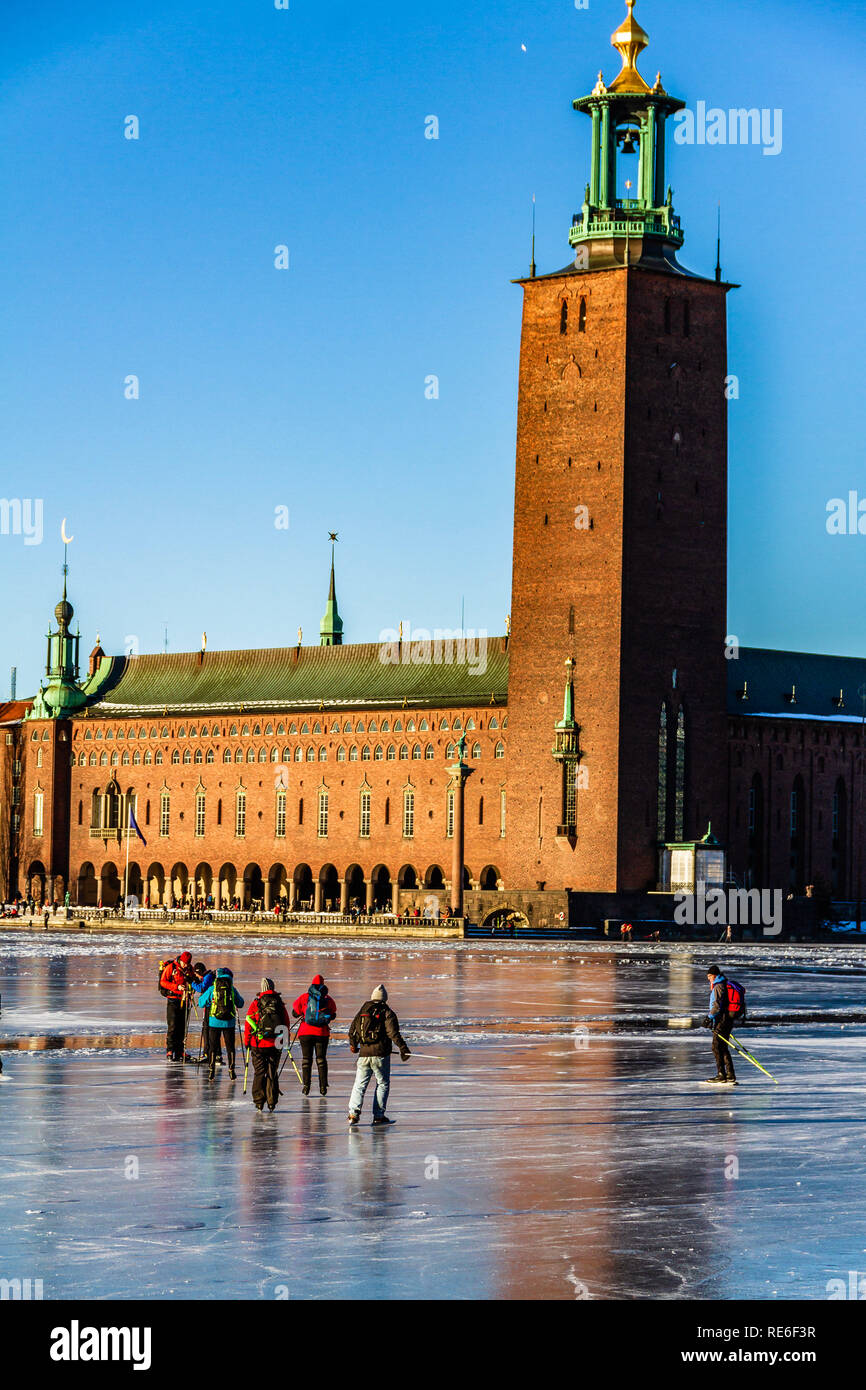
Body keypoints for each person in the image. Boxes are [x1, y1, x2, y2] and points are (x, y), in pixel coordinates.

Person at [347, 985, 411, 1127]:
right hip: (380, 1055)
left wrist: (353, 1045)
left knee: (359, 1085)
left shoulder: (363, 1010)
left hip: (363, 1055)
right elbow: (393, 1033)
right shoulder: (387, 1012)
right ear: (385, 998)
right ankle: (379, 1116)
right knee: (382, 1084)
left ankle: (353, 1114)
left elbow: (352, 1030)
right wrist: (403, 1047)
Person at [243, 977, 291, 1112]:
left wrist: (247, 1042)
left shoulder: (256, 1004)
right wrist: (284, 1041)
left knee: (259, 1072)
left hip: (258, 1043)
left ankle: (259, 1101)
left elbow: (248, 1024)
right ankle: (271, 1101)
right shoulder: (279, 1004)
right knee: (272, 1072)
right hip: (275, 1043)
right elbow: (286, 1023)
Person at [292, 974, 337, 1096]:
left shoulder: (304, 997)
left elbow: (294, 1013)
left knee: (307, 1059)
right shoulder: (327, 998)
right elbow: (333, 1014)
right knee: (321, 1059)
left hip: (305, 1033)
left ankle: (306, 1086)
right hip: (321, 1033)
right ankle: (323, 1087)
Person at [197, 968, 244, 1080]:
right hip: (229, 1022)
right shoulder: (232, 989)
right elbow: (241, 1003)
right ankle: (231, 1070)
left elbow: (201, 1003)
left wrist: (209, 1001)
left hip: (214, 1021)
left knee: (213, 1047)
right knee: (230, 1047)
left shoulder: (213, 989)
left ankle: (211, 1070)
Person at [701, 964, 742, 1085]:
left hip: (722, 1020)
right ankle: (730, 1074)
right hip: (727, 1020)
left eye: (709, 976)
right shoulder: (723, 984)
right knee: (723, 1046)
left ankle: (721, 1075)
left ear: (714, 975)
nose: (708, 978)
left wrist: (709, 1018)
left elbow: (717, 1006)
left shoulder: (718, 986)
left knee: (716, 1047)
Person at [158, 951, 195, 1061]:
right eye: (184, 963)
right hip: (173, 1000)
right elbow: (163, 982)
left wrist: (190, 989)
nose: (186, 965)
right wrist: (176, 987)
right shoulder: (171, 967)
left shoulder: (190, 969)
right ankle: (170, 1050)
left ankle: (180, 1051)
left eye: (187, 964)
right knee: (173, 1026)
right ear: (181, 960)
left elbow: (193, 981)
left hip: (185, 1000)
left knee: (182, 1027)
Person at [191, 962, 215, 1063]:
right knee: (208, 1030)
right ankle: (210, 1053)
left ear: (199, 972)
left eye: (196, 974)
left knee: (207, 1030)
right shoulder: (208, 976)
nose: (196, 975)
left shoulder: (208, 977)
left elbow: (202, 988)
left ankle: (208, 1053)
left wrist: (191, 983)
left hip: (210, 1007)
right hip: (210, 1006)